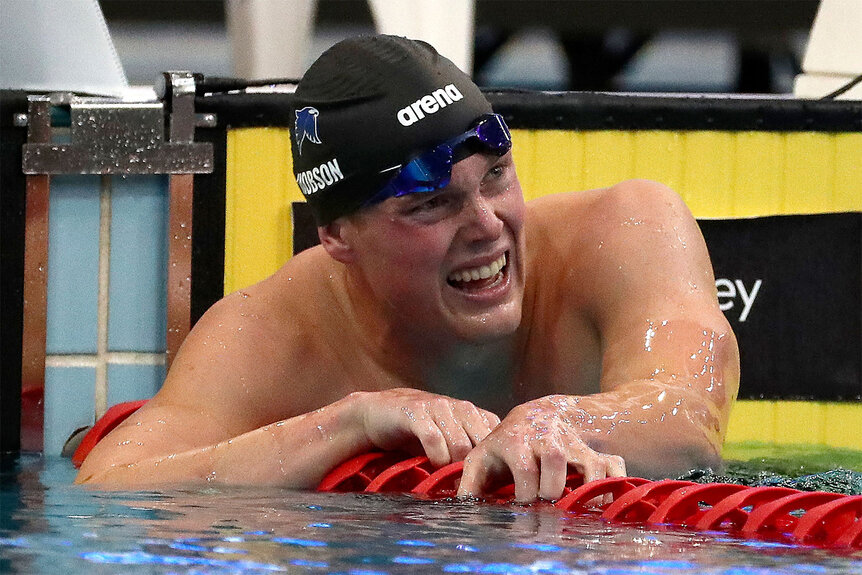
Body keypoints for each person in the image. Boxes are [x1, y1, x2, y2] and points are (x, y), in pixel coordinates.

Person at [77, 35, 739, 502]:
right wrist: (348, 421)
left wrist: (556, 418)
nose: (487, 225)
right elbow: (108, 486)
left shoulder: (627, 229)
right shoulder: (272, 333)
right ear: (337, 234)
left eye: (496, 177)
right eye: (433, 205)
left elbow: (688, 417)